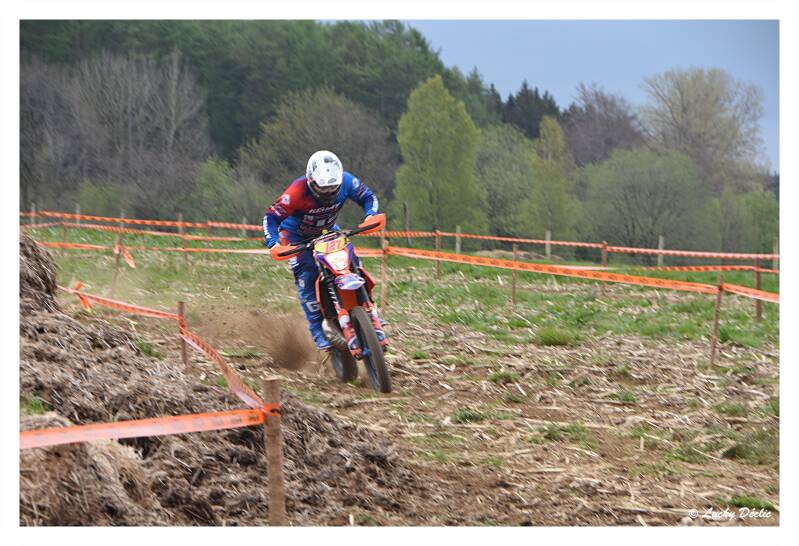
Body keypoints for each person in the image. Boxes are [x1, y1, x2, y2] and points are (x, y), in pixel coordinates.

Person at [263, 150, 384, 350]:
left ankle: (369, 308)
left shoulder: (346, 181)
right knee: (308, 275)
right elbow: (270, 217)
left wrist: (371, 215)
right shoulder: (296, 192)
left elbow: (368, 197)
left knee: (351, 262)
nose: (328, 193)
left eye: (333, 188)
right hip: (295, 236)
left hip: (327, 231)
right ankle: (318, 332)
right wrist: (273, 243)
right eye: (323, 189)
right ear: (311, 182)